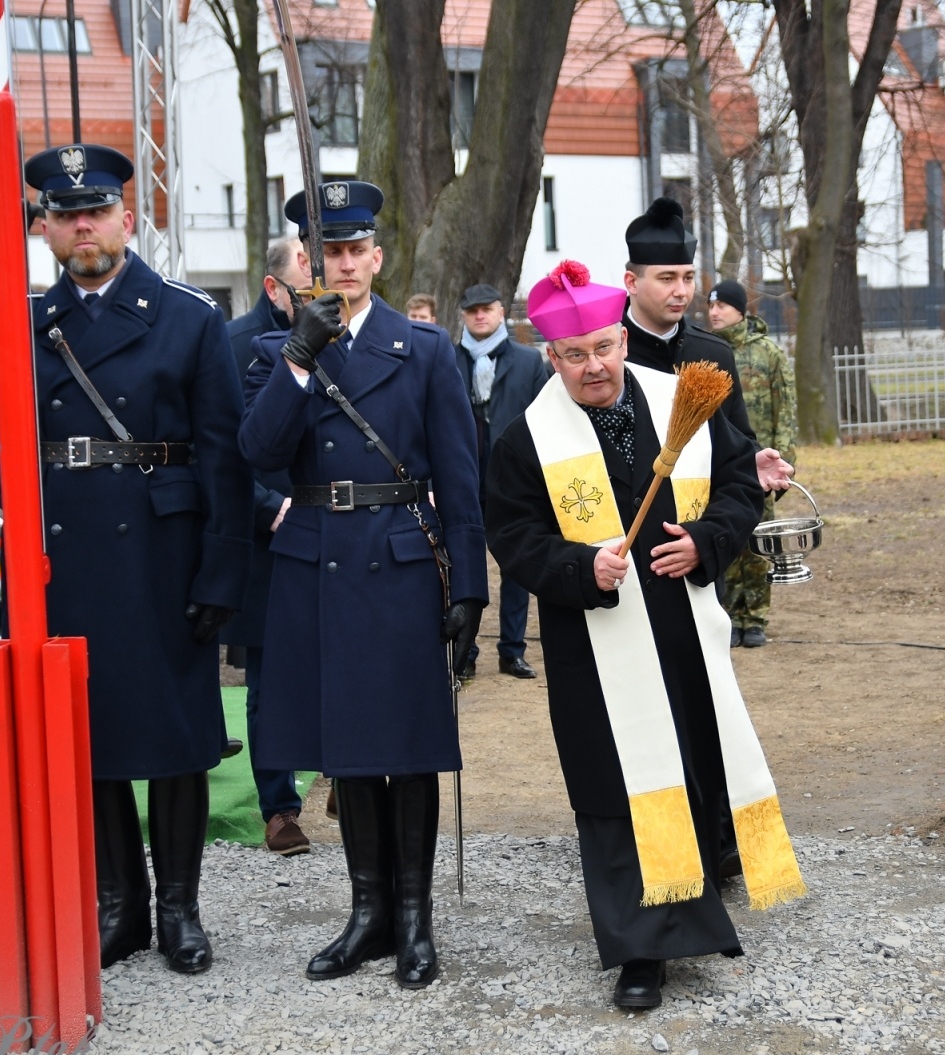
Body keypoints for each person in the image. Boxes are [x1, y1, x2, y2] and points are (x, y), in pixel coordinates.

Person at [0, 143, 254, 974]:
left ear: (126, 219)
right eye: (64, 216)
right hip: (62, 556)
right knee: (88, 739)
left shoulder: (188, 316)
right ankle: (121, 907)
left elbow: (225, 458)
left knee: (174, 742)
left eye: (96, 211)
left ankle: (179, 910)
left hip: (163, 553)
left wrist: (221, 572)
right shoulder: (19, 320)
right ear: (45, 230)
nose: (83, 227)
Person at [486, 260, 805, 1012]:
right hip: (592, 643)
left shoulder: (682, 402)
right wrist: (576, 567)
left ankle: (691, 911)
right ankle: (639, 949)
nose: (594, 366)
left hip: (682, 628)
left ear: (622, 340)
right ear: (550, 357)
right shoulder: (524, 438)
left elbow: (738, 485)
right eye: (575, 355)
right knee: (613, 792)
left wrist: (704, 540)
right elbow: (512, 534)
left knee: (686, 768)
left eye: (604, 347)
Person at [238, 180, 487, 989]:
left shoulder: (425, 350)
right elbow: (260, 451)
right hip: (319, 564)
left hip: (402, 559)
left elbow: (459, 472)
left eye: (355, 251)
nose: (343, 265)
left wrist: (469, 587)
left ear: (377, 258)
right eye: (328, 253)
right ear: (307, 266)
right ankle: (367, 914)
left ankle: (414, 922)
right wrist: (301, 358)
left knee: (407, 751)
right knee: (349, 753)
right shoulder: (286, 352)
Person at [221, 235, 312, 854]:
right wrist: (267, 508)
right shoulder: (231, 346)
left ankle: (349, 773)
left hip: (336, 530)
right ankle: (279, 807)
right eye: (305, 283)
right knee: (268, 681)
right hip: (269, 533)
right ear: (275, 289)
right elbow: (221, 450)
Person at [622, 197, 792, 494]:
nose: (681, 291)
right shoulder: (603, 356)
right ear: (632, 282)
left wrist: (753, 461)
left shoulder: (714, 354)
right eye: (667, 278)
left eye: (688, 278)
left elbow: (735, 443)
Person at [455, 282, 550, 679]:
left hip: (513, 480)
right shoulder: (445, 359)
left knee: (517, 565)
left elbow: (546, 419)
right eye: (472, 310)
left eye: (487, 309)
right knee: (465, 567)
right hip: (462, 478)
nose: (480, 316)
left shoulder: (529, 362)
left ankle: (512, 651)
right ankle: (466, 651)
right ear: (463, 315)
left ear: (501, 312)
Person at [706, 278, 797, 649]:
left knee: (758, 542)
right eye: (711, 306)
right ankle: (726, 616)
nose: (714, 312)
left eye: (722, 306)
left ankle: (755, 618)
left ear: (740, 310)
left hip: (762, 464)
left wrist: (785, 460)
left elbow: (785, 412)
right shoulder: (705, 352)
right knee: (724, 540)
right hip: (722, 463)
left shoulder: (768, 354)